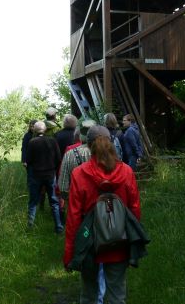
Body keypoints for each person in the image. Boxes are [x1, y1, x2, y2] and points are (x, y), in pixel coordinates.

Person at [64, 125, 141, 304]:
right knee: (117, 295)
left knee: (89, 295)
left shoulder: (79, 173)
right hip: (119, 241)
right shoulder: (126, 172)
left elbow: (74, 217)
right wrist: (133, 245)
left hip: (89, 242)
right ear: (112, 143)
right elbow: (134, 209)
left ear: (88, 146)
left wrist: (70, 253)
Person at [26, 121, 63, 233]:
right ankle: (59, 227)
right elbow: (58, 159)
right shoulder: (52, 141)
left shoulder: (32, 142)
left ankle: (30, 226)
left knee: (33, 201)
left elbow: (28, 160)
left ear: (36, 130)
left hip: (36, 175)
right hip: (50, 175)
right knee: (54, 201)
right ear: (45, 129)